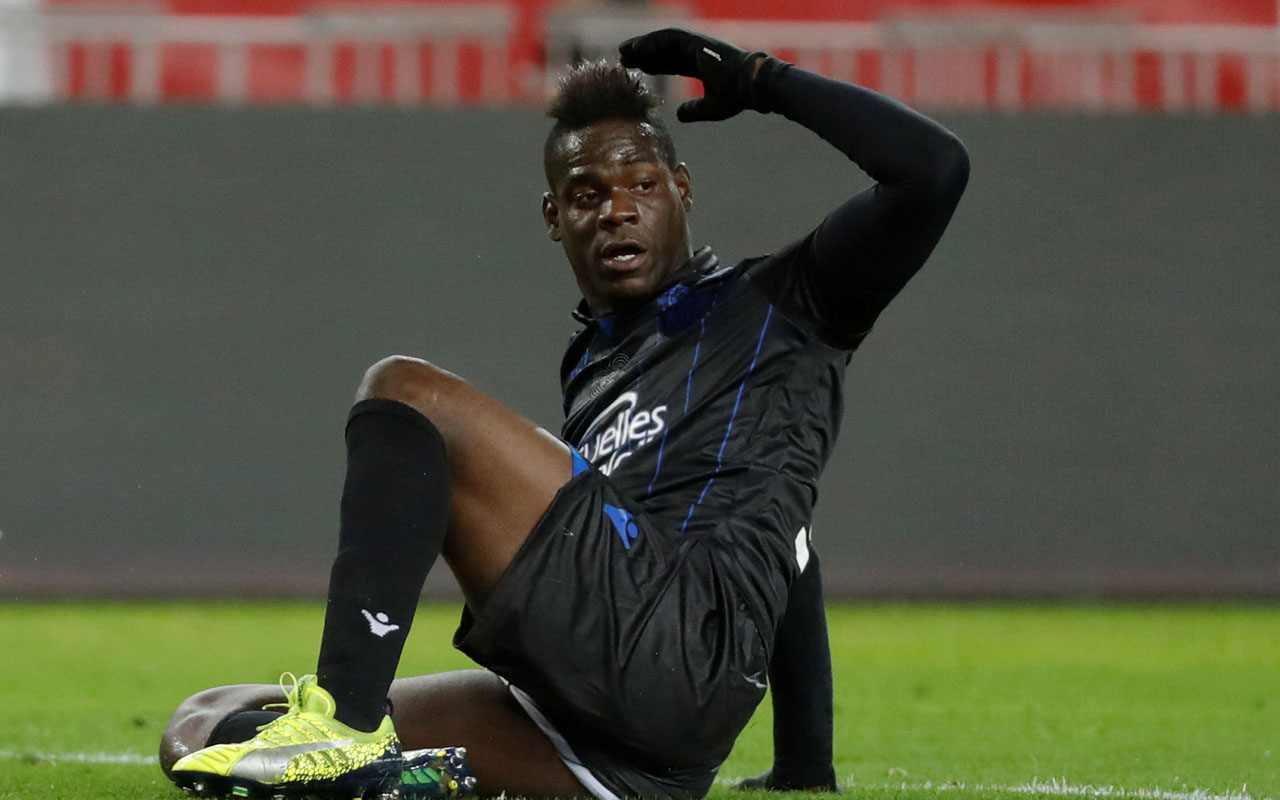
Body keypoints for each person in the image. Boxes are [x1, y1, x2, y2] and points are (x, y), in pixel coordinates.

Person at [159, 27, 968, 800]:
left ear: (682, 191)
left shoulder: (781, 307)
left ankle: (342, 732)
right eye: (587, 194)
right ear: (555, 218)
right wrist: (803, 764)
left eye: (642, 185)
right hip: (617, 748)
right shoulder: (592, 370)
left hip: (679, 656)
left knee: (404, 392)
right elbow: (794, 545)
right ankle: (386, 770)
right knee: (203, 726)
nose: (617, 209)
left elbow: (934, 171)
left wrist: (762, 80)